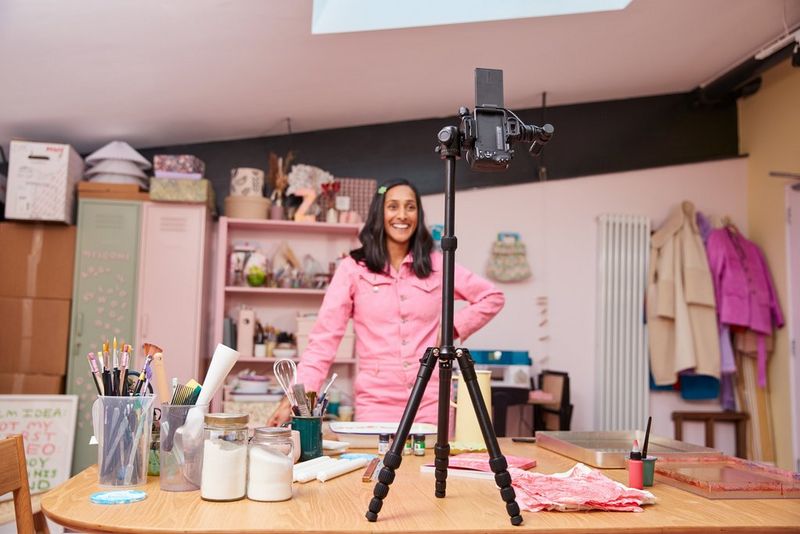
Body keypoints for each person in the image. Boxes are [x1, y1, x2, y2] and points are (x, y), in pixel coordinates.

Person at [267, 178, 504, 426]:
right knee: (380, 465)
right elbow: (322, 343)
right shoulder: (352, 270)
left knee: (432, 465)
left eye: (410, 207)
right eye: (393, 206)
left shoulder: (438, 266)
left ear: (418, 214)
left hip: (431, 402)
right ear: (379, 213)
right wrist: (291, 402)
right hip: (376, 405)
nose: (402, 214)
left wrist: (451, 329)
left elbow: (492, 297)